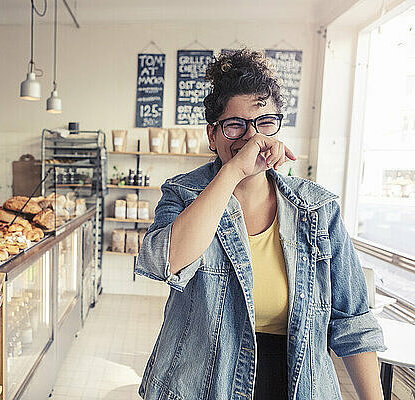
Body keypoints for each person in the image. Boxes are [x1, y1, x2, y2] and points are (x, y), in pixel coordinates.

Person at [135, 49, 385, 400]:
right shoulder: (184, 194)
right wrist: (234, 171)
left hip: (297, 384)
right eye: (235, 125)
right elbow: (165, 263)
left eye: (264, 123)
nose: (252, 138)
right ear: (213, 135)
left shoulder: (317, 209)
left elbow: (353, 320)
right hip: (203, 383)